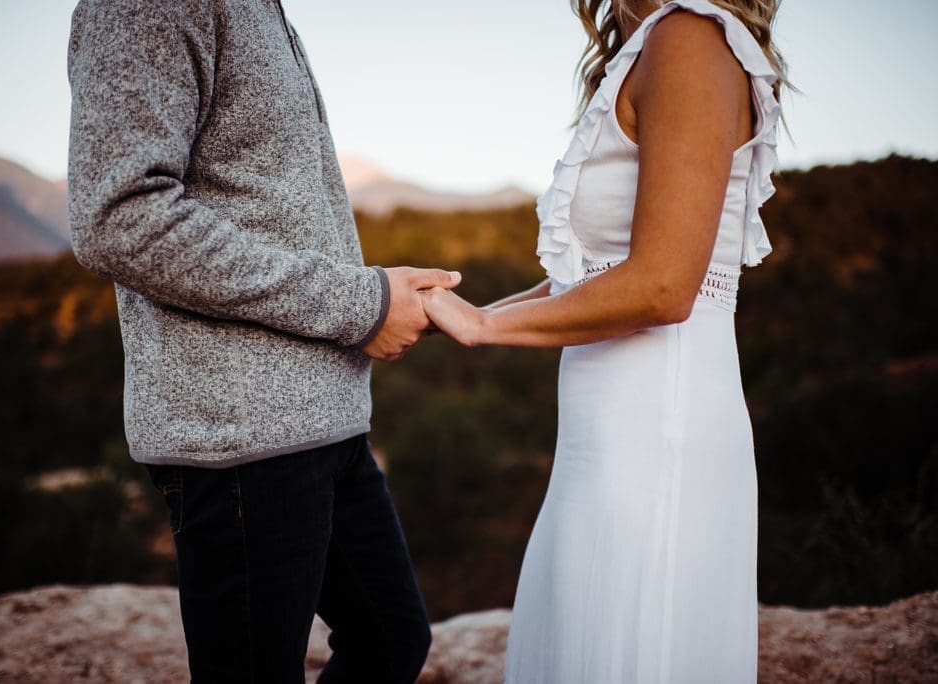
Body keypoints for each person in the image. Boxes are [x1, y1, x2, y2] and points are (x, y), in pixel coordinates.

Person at [66, 1, 460, 681]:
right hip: (240, 442)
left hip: (328, 428)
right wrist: (362, 303)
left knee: (392, 639)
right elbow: (119, 217)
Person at [422, 0, 788, 680]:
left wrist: (484, 327)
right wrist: (466, 316)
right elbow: (590, 276)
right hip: (608, 442)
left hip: (655, 440)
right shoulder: (652, 44)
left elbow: (662, 287)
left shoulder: (689, 37)